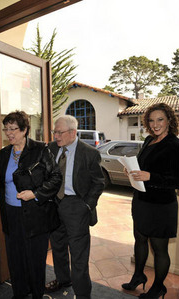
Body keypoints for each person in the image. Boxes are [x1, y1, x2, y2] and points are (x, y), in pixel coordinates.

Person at [0, 110, 62, 299]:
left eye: (13, 129)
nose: (9, 133)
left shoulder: (41, 149)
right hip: (11, 213)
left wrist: (35, 194)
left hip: (36, 214)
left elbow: (55, 178)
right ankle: (19, 293)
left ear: (25, 129)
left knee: (35, 259)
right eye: (6, 129)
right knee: (15, 257)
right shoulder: (4, 153)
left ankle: (37, 294)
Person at [121, 103, 179, 299]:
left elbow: (178, 181)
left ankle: (159, 287)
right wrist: (133, 171)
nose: (155, 124)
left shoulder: (177, 147)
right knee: (139, 240)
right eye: (151, 120)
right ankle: (138, 276)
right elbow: (144, 168)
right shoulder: (149, 140)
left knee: (160, 249)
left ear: (169, 120)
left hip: (161, 206)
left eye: (160, 119)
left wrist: (150, 176)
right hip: (141, 200)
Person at [45, 115, 105, 299]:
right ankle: (63, 280)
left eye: (59, 132)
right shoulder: (51, 148)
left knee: (78, 255)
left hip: (76, 205)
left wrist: (86, 205)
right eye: (54, 131)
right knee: (58, 247)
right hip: (55, 204)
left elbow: (99, 182)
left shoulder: (89, 152)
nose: (55, 136)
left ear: (72, 132)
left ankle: (82, 294)